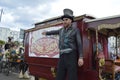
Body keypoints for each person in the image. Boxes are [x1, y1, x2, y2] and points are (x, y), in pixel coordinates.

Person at [42, 8, 83, 80]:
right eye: (63, 20)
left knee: (72, 77)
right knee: (59, 76)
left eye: (66, 20)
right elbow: (53, 32)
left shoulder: (75, 30)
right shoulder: (61, 30)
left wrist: (81, 57)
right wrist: (46, 33)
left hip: (71, 55)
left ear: (71, 20)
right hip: (62, 56)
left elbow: (79, 44)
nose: (64, 21)